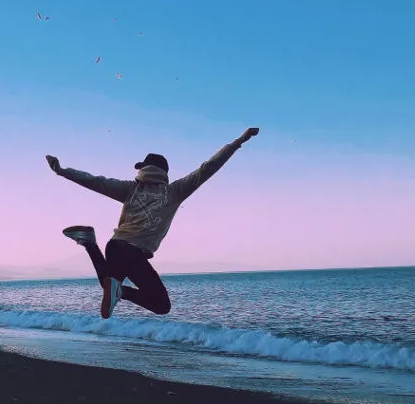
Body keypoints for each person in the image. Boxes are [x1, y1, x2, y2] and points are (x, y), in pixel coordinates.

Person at [45, 126, 259, 319]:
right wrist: (239, 141)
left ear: (145, 169)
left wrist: (63, 171)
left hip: (115, 248)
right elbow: (208, 168)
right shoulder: (174, 192)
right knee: (161, 304)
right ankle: (98, 255)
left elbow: (95, 181)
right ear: (164, 173)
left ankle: (91, 245)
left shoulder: (130, 189)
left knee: (108, 285)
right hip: (132, 253)